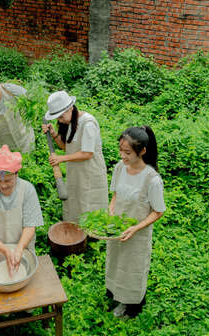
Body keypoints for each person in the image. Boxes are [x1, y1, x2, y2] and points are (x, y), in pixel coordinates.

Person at [106, 126, 165, 319]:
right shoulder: (119, 167)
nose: (122, 155)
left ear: (142, 151)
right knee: (116, 262)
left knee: (132, 268)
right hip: (117, 228)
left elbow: (158, 212)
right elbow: (115, 195)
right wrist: (111, 210)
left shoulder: (152, 179)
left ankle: (132, 305)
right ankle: (116, 295)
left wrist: (135, 228)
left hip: (137, 232)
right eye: (121, 150)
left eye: (128, 152)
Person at [0, 145, 43, 275]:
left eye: (8, 180)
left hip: (20, 247)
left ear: (17, 174)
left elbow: (30, 225)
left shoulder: (27, 190)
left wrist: (19, 248)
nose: (3, 185)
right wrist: (5, 250)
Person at [42, 90, 108, 223]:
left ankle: (93, 237)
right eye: (57, 118)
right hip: (76, 171)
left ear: (71, 108)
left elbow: (87, 153)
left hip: (90, 171)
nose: (60, 120)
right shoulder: (69, 122)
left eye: (61, 116)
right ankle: (77, 233)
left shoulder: (88, 123)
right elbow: (66, 147)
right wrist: (54, 134)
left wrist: (61, 159)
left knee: (90, 204)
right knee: (76, 202)